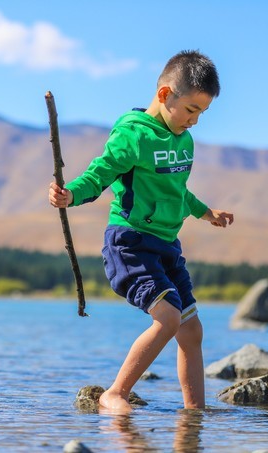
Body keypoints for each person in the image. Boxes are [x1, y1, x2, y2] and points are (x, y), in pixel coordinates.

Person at [48, 50, 234, 413]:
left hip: (166, 247)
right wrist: (70, 194)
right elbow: (99, 175)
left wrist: (205, 212)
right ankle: (114, 394)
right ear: (165, 95)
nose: (194, 121)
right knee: (167, 318)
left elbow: (176, 192)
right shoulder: (132, 136)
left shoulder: (184, 141)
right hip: (130, 244)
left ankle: (194, 413)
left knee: (191, 331)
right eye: (191, 110)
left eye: (202, 113)